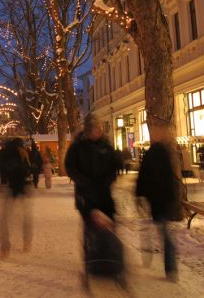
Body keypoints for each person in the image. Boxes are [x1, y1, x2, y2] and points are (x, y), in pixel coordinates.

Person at [66, 114, 122, 282]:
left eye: (97, 129)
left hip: (104, 193)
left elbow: (114, 167)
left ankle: (112, 257)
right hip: (86, 194)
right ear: (87, 130)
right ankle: (90, 258)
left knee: (110, 223)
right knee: (89, 225)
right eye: (92, 130)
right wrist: (84, 181)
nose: (95, 133)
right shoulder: (77, 146)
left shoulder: (106, 146)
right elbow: (70, 167)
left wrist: (109, 179)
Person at [136, 141, 179, 281]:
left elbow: (142, 177)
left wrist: (139, 196)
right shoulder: (166, 158)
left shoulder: (149, 157)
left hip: (154, 201)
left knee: (154, 231)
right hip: (165, 202)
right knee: (166, 234)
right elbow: (172, 182)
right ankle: (171, 268)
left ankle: (149, 255)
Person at [0, 138, 32, 259]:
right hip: (22, 186)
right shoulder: (23, 152)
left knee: (3, 218)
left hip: (10, 186)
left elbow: (1, 169)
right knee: (26, 216)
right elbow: (28, 170)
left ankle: (5, 248)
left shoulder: (4, 152)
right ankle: (27, 242)